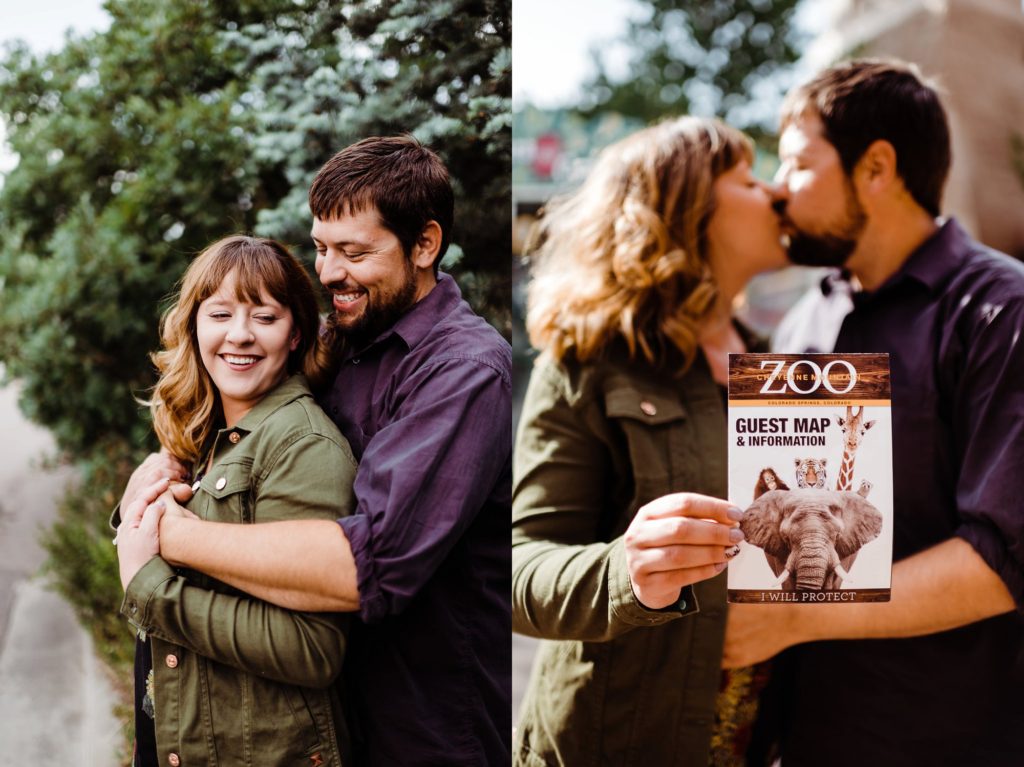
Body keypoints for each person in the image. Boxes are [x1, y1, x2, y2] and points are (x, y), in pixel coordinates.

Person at [119, 136, 513, 766]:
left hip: (427, 732)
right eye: (322, 248)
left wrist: (163, 538)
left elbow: (369, 563)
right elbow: (239, 403)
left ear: (425, 245)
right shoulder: (344, 340)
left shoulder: (464, 369)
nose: (329, 272)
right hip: (329, 727)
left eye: (354, 252)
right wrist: (165, 463)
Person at [723, 59, 1024, 765]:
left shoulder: (1001, 311)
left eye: (797, 165)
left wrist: (790, 617)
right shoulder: (803, 321)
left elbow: (1002, 557)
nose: (776, 189)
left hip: (946, 739)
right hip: (800, 734)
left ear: (877, 167)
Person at [512, 116, 789, 766]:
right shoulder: (586, 359)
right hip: (612, 739)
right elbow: (520, 565)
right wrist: (625, 571)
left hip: (754, 737)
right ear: (687, 209)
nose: (776, 193)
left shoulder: (780, 365)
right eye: (749, 181)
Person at [114, 236, 357, 766]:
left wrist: (149, 588)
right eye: (220, 313)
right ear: (195, 325)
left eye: (265, 317)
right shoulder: (210, 438)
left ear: (296, 334)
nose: (239, 335)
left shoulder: (302, 444)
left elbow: (313, 650)